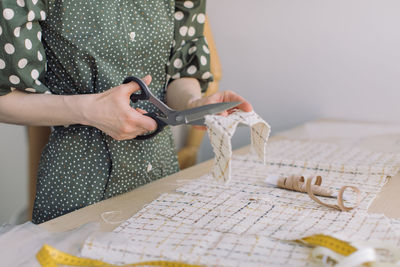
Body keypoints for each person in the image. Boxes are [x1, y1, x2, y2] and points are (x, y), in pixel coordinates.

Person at [0, 0, 252, 224]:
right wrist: (89, 110)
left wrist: (194, 103)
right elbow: (4, 97)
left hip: (160, 178)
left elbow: (179, 75)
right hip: (77, 191)